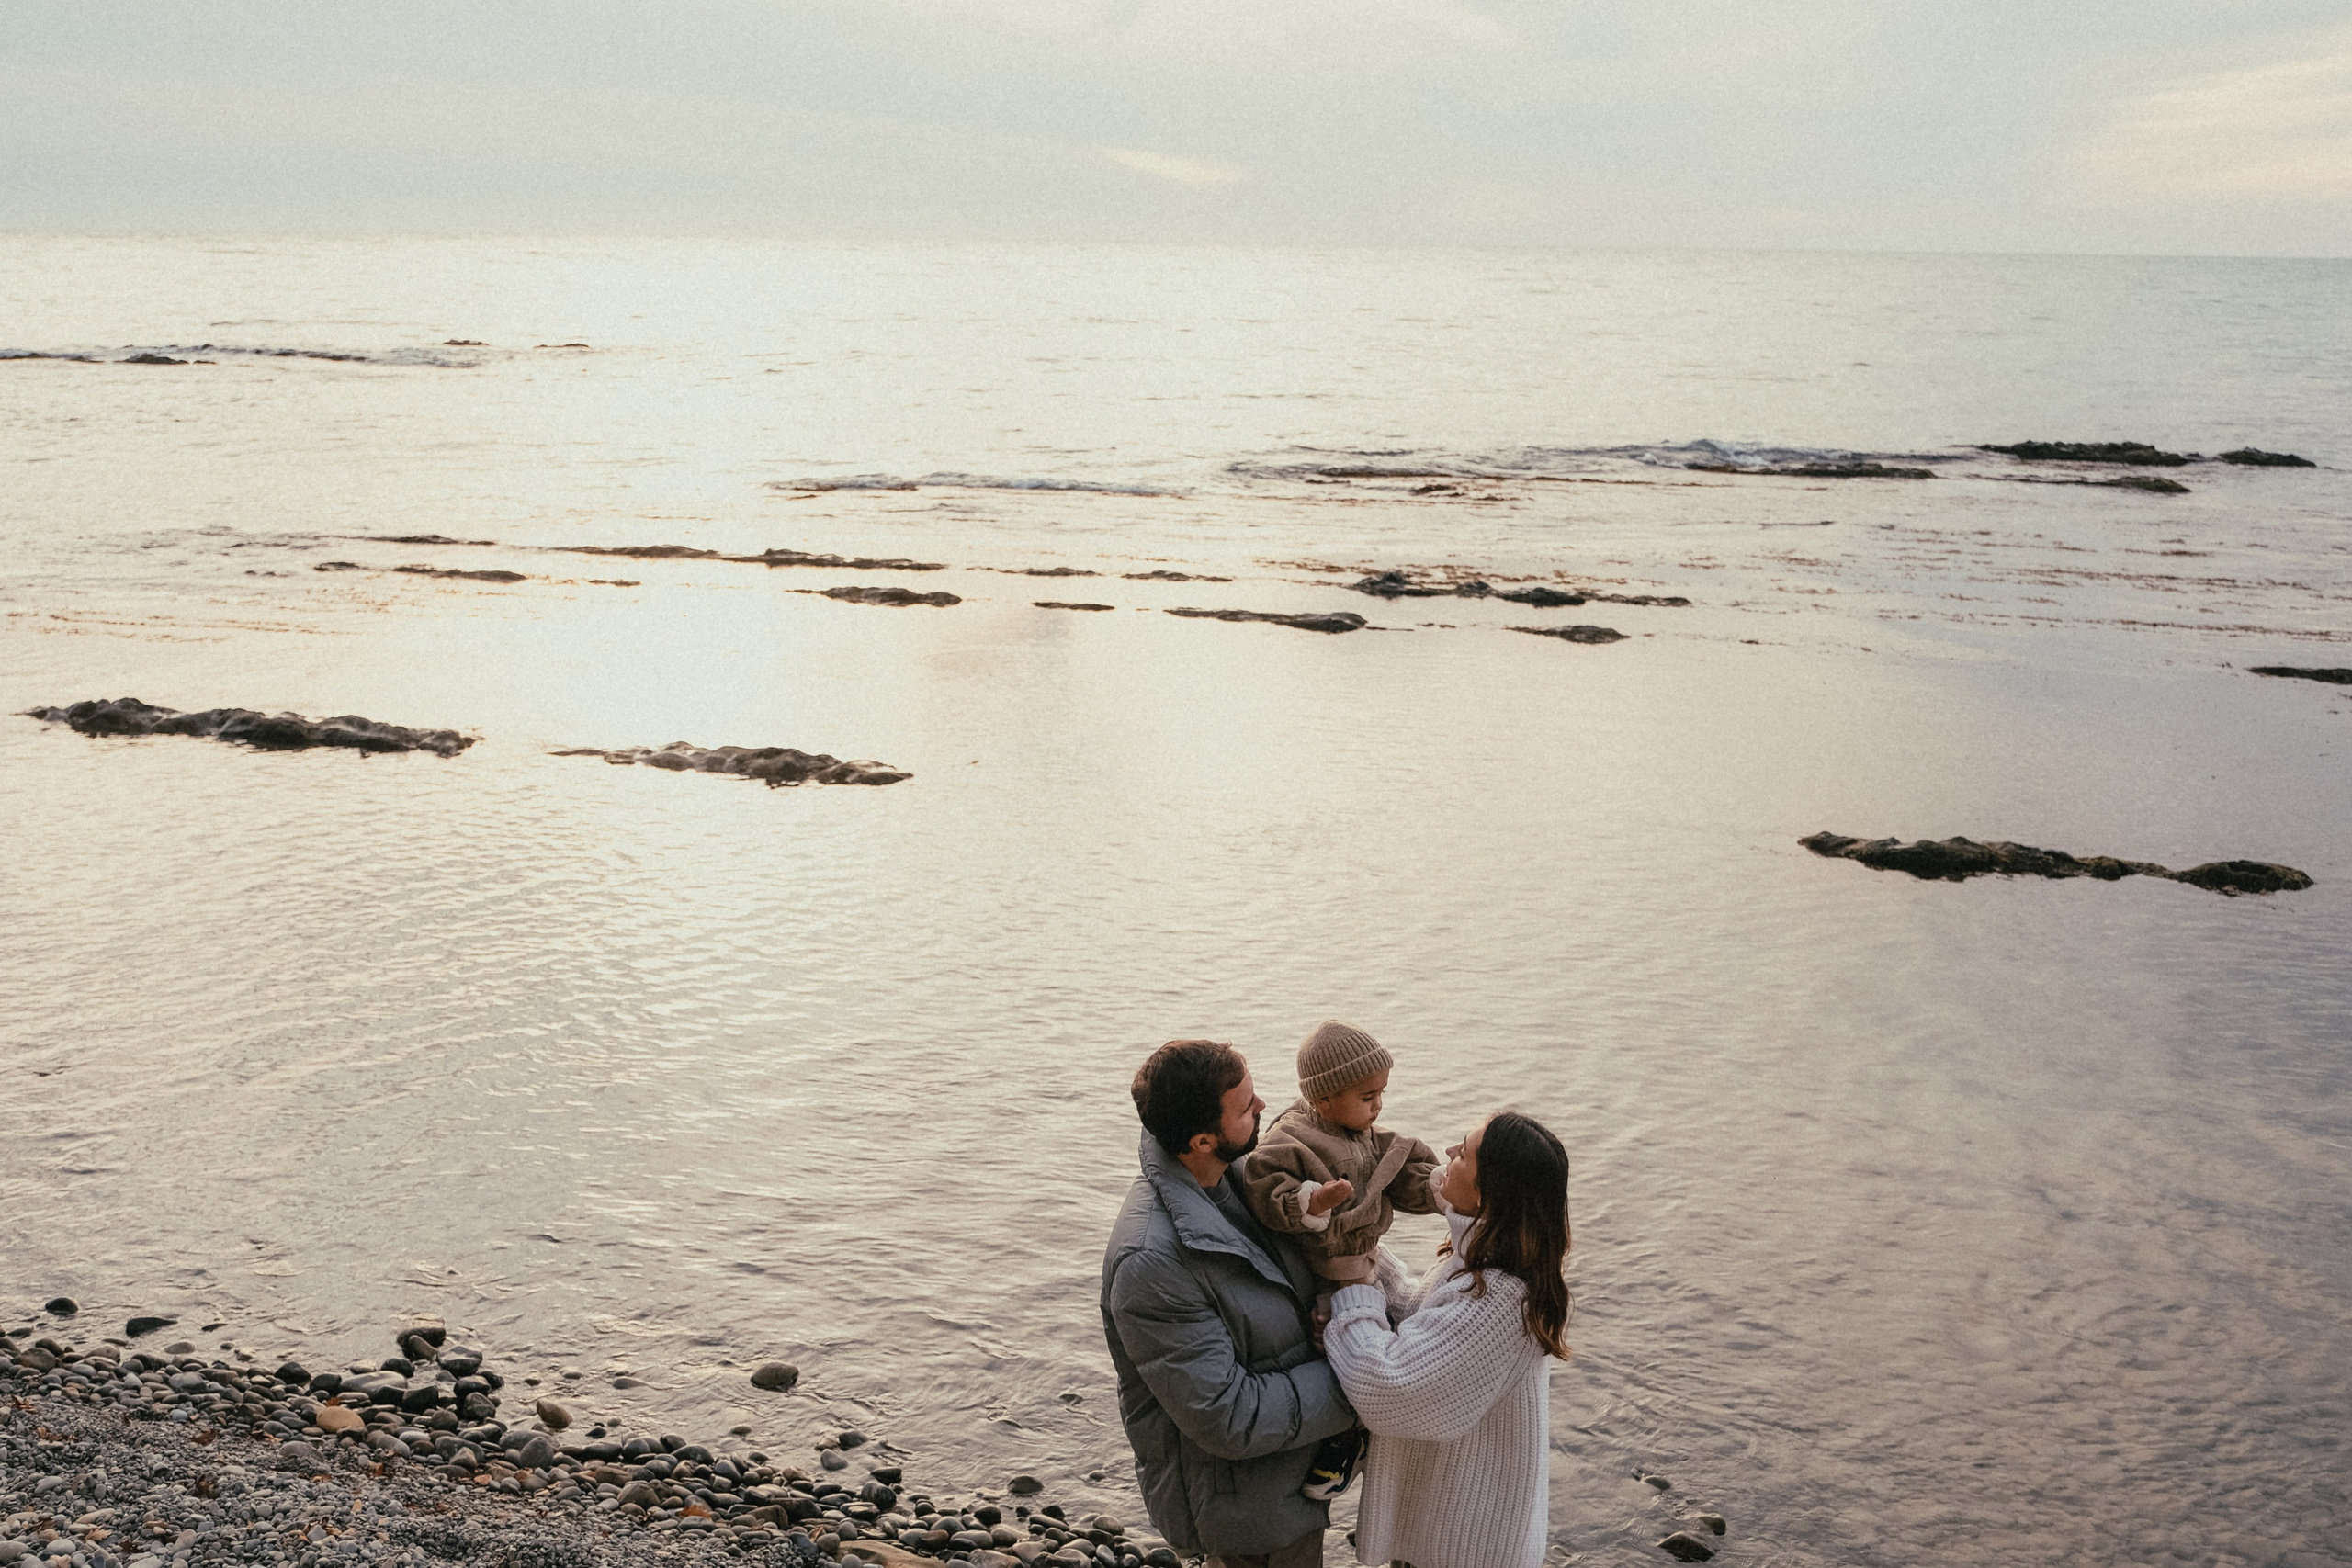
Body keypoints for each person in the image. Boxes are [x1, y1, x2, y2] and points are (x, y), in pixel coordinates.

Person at [1102, 1039, 1360, 1568]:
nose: (1264, 1105)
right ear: (1202, 1140)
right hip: (1243, 1515)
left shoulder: (1242, 1178)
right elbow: (1228, 1415)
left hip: (1284, 1486)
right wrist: (1363, 1376)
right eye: (1246, 1107)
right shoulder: (1152, 1261)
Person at [1321, 1111, 1572, 1568]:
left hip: (1466, 1550)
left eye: (1466, 1152)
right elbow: (1425, 1317)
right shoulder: (1485, 1260)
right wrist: (1362, 1251)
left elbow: (1390, 1386)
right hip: (1448, 1539)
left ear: (1487, 1193)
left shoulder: (1501, 1298)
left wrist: (1351, 1292)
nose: (1451, 1153)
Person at [1236, 1021, 1442, 1502]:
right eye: (1367, 1096)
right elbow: (1266, 1186)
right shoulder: (1294, 1137)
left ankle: (1377, 1438)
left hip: (1369, 1264)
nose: (1378, 1106)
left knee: (1396, 1340)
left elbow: (1399, 1171)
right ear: (1325, 1098)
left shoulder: (1364, 1133)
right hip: (1329, 1274)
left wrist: (1438, 1186)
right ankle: (1342, 1446)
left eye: (1382, 1094)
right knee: (1342, 1356)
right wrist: (1312, 1201)